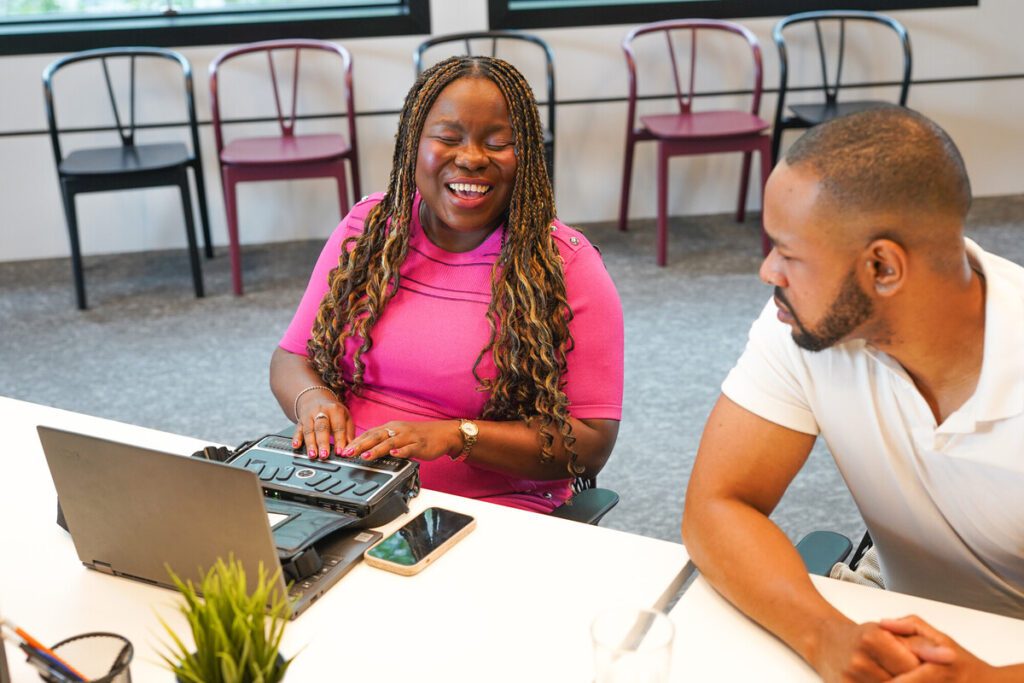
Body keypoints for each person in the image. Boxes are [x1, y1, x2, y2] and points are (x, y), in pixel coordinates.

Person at [682, 107, 1024, 682]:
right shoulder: (806, 327)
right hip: (896, 614)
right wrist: (825, 635)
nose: (769, 272)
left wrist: (987, 679)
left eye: (788, 253)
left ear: (883, 268)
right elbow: (717, 506)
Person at [270, 56, 623, 514]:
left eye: (499, 143)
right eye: (448, 139)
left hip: (489, 510)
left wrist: (457, 435)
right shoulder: (369, 228)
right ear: (414, 145)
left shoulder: (565, 265)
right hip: (347, 488)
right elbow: (291, 357)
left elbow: (590, 443)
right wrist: (312, 399)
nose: (472, 158)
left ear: (528, 157)